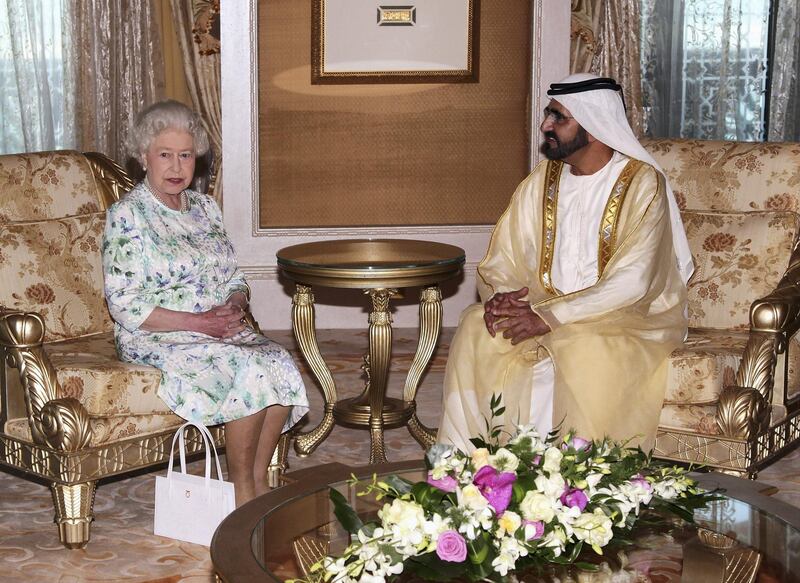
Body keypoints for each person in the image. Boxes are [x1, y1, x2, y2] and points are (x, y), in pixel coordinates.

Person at [437, 74, 693, 453]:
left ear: (595, 125)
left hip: (627, 315)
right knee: (478, 325)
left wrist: (550, 317)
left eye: (558, 117)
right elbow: (506, 255)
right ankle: (470, 464)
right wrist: (506, 299)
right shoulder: (542, 180)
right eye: (548, 115)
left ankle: (583, 478)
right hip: (544, 305)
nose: (546, 126)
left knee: (583, 345)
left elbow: (635, 280)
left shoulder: (642, 184)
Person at [102, 100, 309, 506]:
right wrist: (200, 324)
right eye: (165, 155)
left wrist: (234, 303)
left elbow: (234, 276)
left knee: (278, 361)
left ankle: (257, 481)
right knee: (247, 368)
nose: (177, 166)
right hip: (158, 333)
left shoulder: (205, 208)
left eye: (185, 155)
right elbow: (125, 305)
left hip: (216, 327)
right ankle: (241, 492)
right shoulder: (127, 216)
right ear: (144, 157)